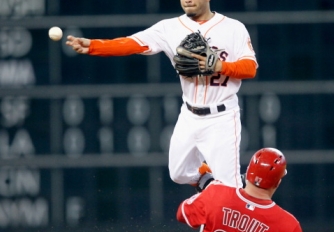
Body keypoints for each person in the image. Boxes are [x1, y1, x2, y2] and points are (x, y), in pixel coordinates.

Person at [65, 0, 258, 190]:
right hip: (190, 115)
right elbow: (132, 43)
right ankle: (209, 183)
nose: (187, 0)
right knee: (179, 172)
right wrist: (93, 46)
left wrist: (220, 66)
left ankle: (243, 207)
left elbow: (250, 68)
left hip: (222, 116)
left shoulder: (233, 28)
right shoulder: (170, 28)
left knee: (229, 188)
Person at [176, 148, 302, 232]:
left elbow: (182, 214)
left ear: (247, 173)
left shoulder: (217, 193)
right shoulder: (288, 226)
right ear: (278, 182)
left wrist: (207, 190)